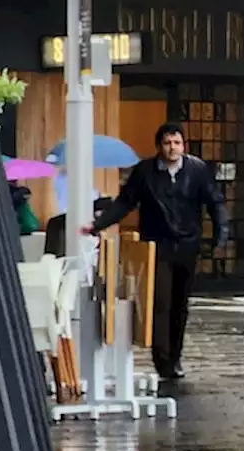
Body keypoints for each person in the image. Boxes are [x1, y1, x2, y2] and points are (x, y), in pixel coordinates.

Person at [85, 123, 228, 380]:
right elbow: (125, 202)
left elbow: (214, 202)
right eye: (167, 143)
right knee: (160, 302)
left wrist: (221, 233)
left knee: (180, 305)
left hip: (187, 244)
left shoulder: (197, 170)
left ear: (184, 146)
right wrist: (98, 225)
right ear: (159, 146)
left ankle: (175, 356)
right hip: (157, 245)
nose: (172, 148)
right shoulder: (145, 172)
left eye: (177, 143)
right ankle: (163, 361)